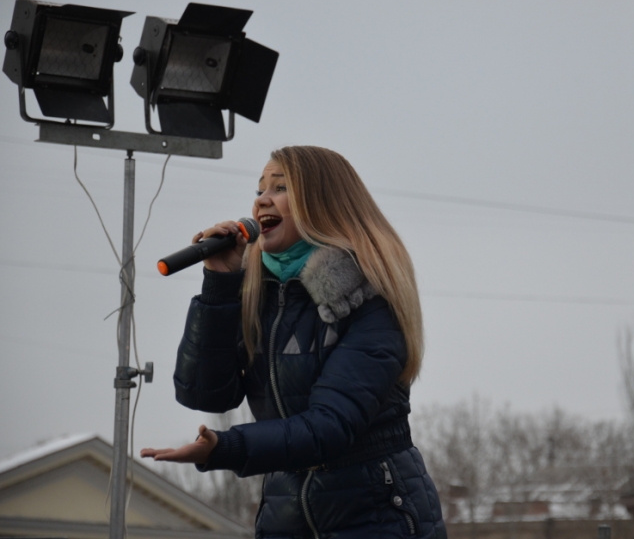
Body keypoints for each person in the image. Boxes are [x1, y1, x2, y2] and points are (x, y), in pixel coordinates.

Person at [141, 146, 447, 539]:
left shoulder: (370, 297)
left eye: (281, 187)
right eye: (259, 189)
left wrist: (226, 448)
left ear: (324, 204)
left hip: (377, 515)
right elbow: (205, 395)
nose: (262, 199)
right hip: (286, 516)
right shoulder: (258, 293)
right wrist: (219, 285)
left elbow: (329, 428)